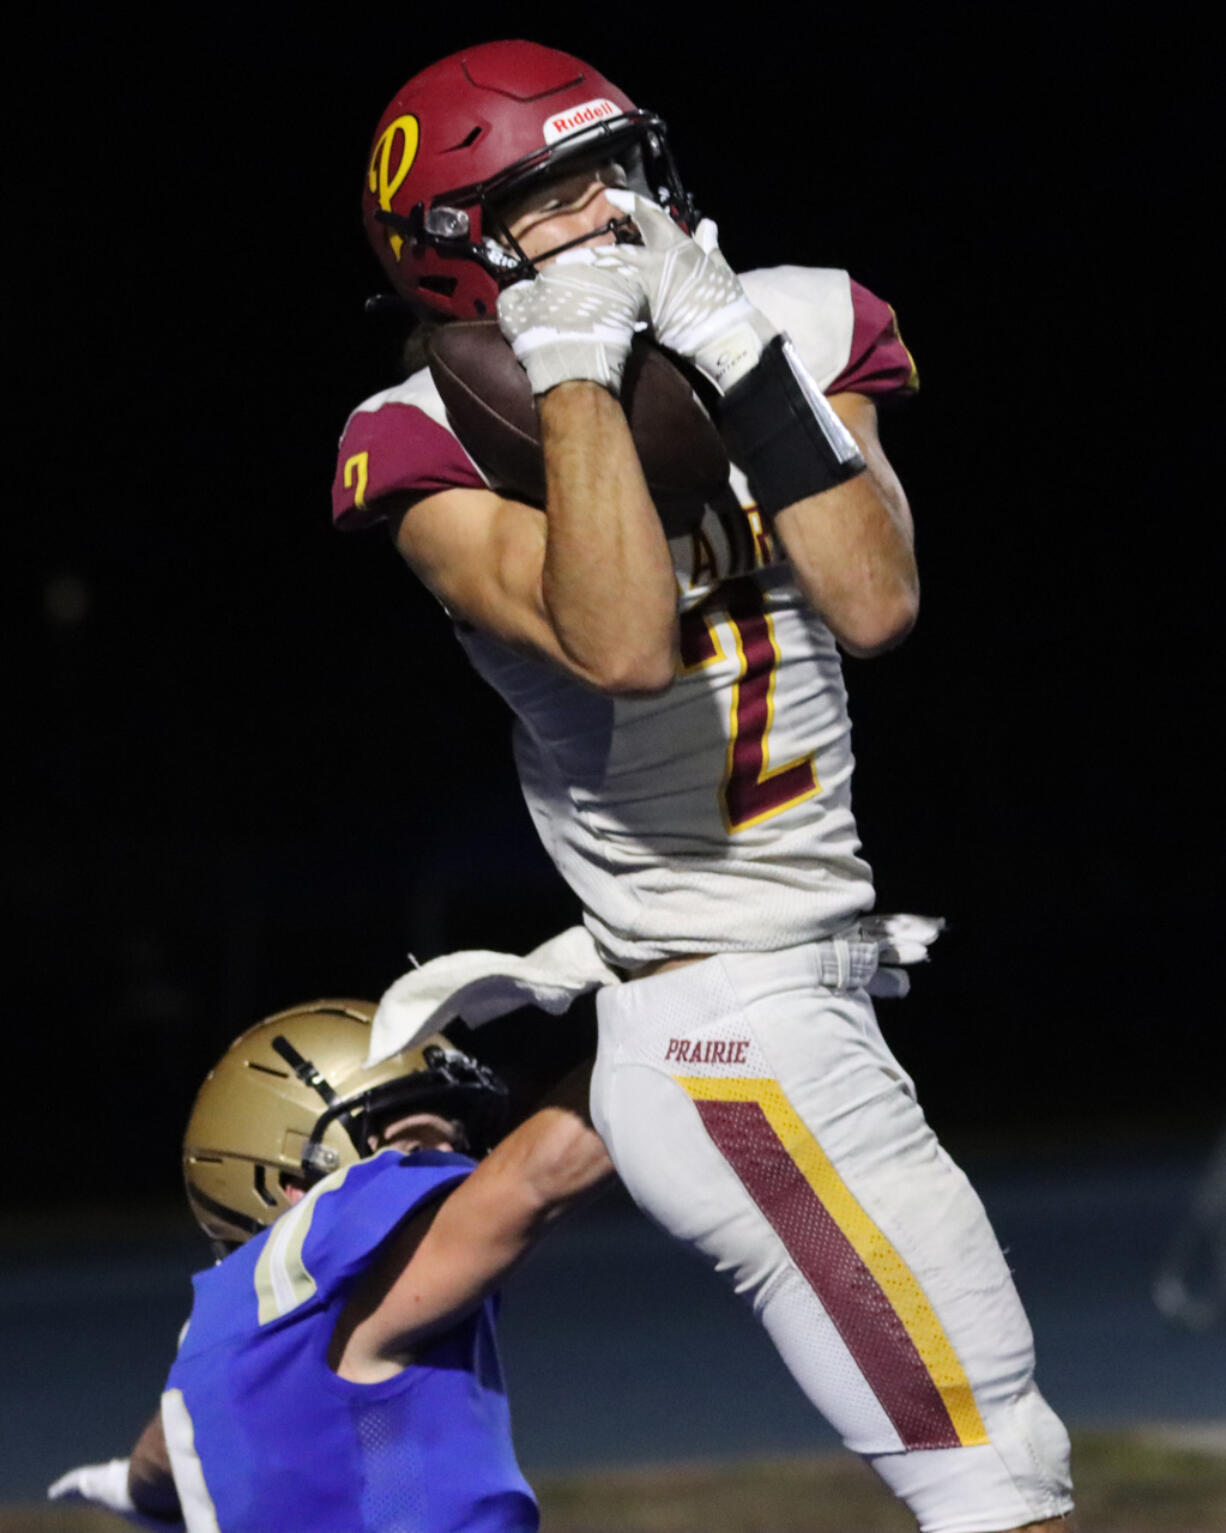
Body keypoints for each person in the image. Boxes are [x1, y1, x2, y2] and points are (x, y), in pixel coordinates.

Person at [333, 40, 1075, 1532]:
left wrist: (734, 352)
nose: (602, 215)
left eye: (608, 167)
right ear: (452, 257)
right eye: (543, 198)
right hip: (728, 1026)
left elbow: (872, 605)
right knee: (1002, 1484)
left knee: (996, 1480)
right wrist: (576, 384)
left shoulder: (793, 314)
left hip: (805, 985)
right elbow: (617, 646)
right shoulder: (414, 441)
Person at [48, 998, 612, 1531]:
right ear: (291, 1185)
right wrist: (671, 1024)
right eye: (415, 1147)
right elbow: (537, 1179)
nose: (457, 1170)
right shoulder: (351, 1272)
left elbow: (165, 1450)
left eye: (454, 1146)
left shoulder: (215, 1339)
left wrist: (136, 1488)